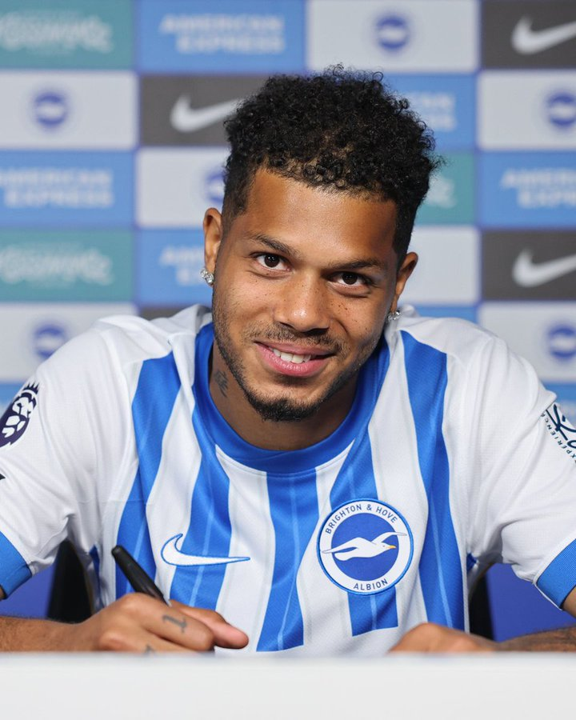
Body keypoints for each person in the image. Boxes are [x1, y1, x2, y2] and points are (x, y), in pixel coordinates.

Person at [0, 68, 575, 654]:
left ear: (397, 283)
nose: (303, 315)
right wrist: (66, 649)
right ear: (214, 244)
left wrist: (499, 667)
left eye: (350, 278)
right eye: (271, 261)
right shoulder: (102, 385)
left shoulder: (470, 388)